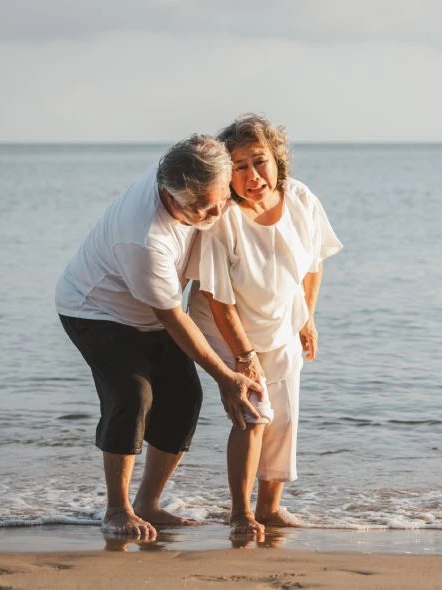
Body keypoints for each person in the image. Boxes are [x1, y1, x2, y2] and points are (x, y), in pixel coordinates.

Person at [56, 135, 263, 540]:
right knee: (133, 396)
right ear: (169, 194)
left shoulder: (195, 168)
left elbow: (215, 147)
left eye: (219, 200)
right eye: (200, 208)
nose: (214, 212)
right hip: (96, 309)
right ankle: (117, 509)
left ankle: (149, 503)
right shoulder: (144, 239)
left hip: (151, 314)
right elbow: (171, 318)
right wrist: (226, 376)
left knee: (185, 399)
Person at [186, 114, 342, 535]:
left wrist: (307, 318)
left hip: (281, 323)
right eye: (239, 167)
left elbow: (312, 265)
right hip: (224, 328)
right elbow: (219, 300)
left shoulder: (302, 199)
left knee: (284, 418)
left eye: (260, 161)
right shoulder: (223, 220)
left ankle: (270, 508)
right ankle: (241, 512)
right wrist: (245, 356)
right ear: (227, 174)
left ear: (277, 159)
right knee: (254, 413)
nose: (253, 176)